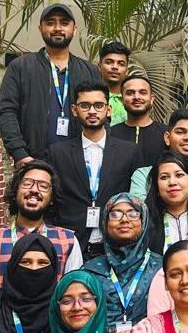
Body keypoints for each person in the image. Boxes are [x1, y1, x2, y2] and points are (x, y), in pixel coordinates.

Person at [0, 3, 102, 165]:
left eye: (64, 23)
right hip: (33, 161)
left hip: (80, 164)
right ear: (40, 29)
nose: (57, 28)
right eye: (51, 23)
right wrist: (20, 154)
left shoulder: (90, 71)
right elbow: (6, 112)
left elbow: (102, 115)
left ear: (74, 29)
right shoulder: (21, 66)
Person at [47, 81, 141, 258]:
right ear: (74, 110)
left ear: (108, 110)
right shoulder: (58, 152)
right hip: (71, 246)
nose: (92, 111)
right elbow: (52, 201)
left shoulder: (129, 152)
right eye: (85, 105)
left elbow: (136, 198)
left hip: (116, 245)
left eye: (98, 105)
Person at [0, 159, 81, 300]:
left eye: (43, 186)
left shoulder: (68, 241)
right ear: (16, 191)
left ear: (52, 198)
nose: (34, 190)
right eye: (27, 183)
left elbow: (73, 294)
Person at [82, 194, 164, 333]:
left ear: (144, 221)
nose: (124, 219)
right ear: (105, 223)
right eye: (115, 214)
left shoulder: (161, 267)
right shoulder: (89, 271)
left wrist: (138, 331)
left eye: (133, 214)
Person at [145, 151, 188, 255]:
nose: (172, 182)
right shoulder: (144, 221)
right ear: (156, 187)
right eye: (164, 177)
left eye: (179, 175)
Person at [109, 75, 168, 167]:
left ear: (151, 99)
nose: (136, 97)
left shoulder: (166, 135)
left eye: (143, 93)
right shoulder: (110, 134)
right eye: (130, 93)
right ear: (122, 100)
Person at [99, 41, 130, 126]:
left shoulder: (133, 99)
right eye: (109, 62)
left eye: (121, 64)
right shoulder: (90, 97)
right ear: (99, 66)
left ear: (127, 70)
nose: (115, 67)